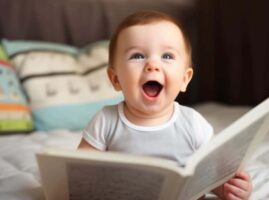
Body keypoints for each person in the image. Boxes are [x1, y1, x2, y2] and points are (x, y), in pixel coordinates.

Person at [78, 10, 252, 200]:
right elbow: (77, 174)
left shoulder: (193, 124)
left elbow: (212, 178)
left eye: (167, 56)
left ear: (185, 79)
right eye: (137, 56)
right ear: (116, 79)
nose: (153, 65)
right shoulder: (105, 121)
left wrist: (227, 188)